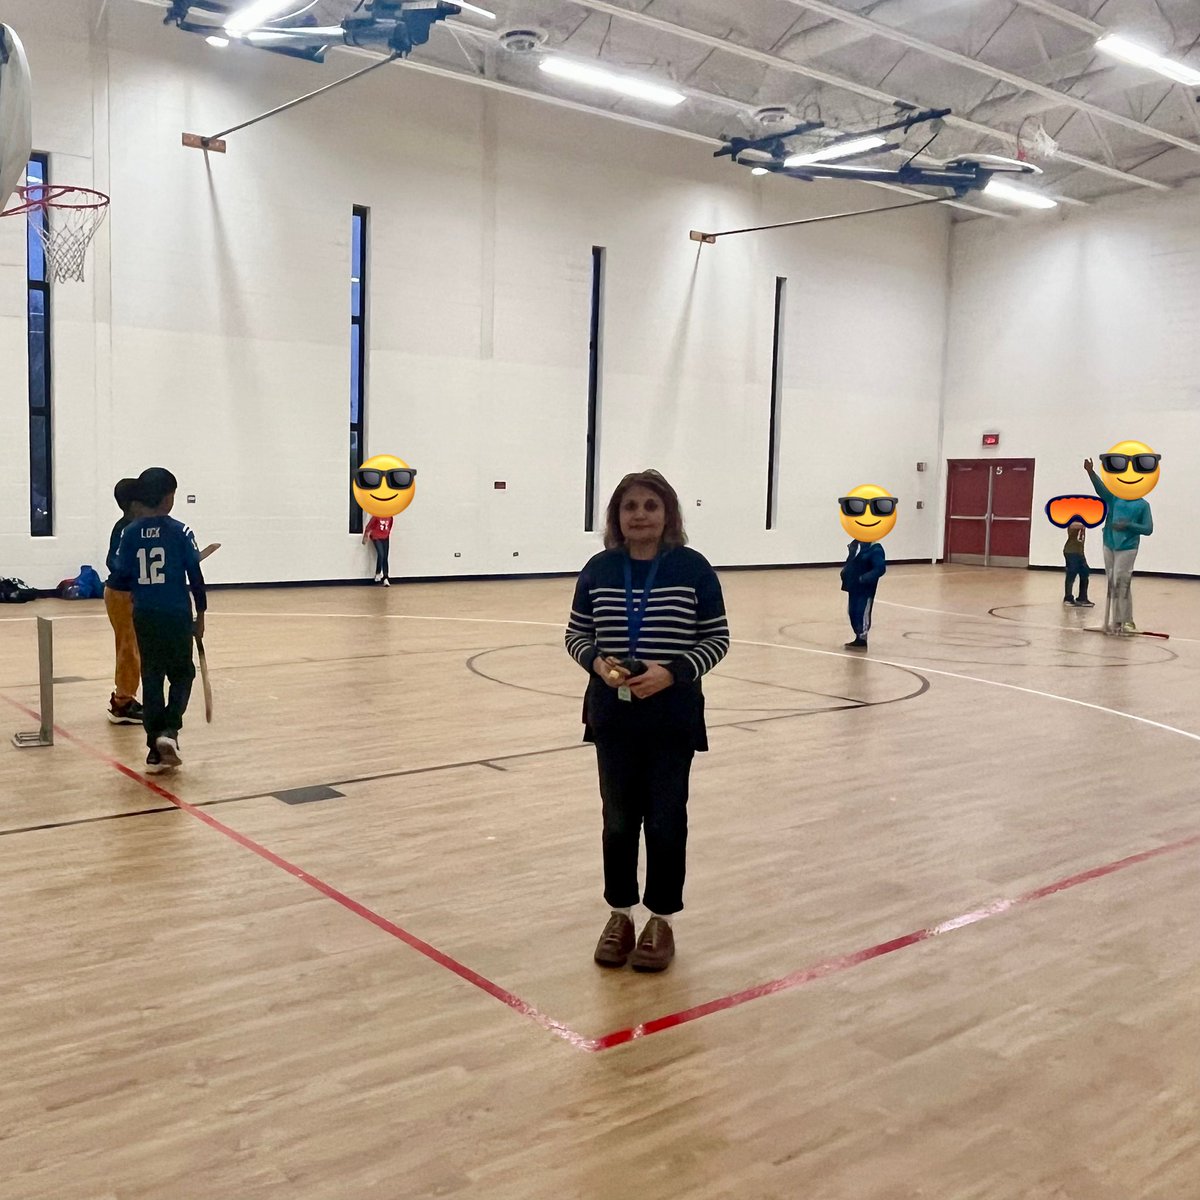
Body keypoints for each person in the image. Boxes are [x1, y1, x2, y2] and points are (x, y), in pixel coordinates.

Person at [564, 470, 729, 973]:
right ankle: (620, 914)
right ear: (616, 516)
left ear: (668, 515)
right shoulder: (598, 568)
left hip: (671, 716)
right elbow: (576, 633)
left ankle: (661, 919)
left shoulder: (693, 568)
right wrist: (596, 662)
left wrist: (672, 673)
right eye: (630, 506)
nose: (640, 515)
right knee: (617, 823)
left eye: (651, 506)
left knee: (664, 821)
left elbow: (717, 638)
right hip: (612, 715)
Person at [109, 468, 207, 774]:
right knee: (182, 674)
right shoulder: (181, 531)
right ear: (167, 497)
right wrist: (201, 614)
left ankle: (154, 748)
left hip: (145, 614)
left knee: (151, 676)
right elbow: (196, 578)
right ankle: (169, 731)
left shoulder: (130, 533)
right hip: (176, 614)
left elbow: (122, 574)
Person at [1085, 455, 1154, 634]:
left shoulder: (1143, 505)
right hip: (1109, 543)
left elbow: (1148, 528)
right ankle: (1111, 621)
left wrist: (1128, 525)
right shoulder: (1115, 499)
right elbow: (1101, 490)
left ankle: (1127, 621)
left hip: (1128, 547)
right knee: (1111, 582)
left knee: (1121, 582)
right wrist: (1091, 472)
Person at [104, 478, 144, 725]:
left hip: (131, 594)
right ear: (133, 503)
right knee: (128, 648)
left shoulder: (139, 525)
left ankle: (127, 696)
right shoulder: (125, 528)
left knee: (134, 647)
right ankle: (122, 702)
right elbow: (113, 561)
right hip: (121, 594)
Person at [1062, 520, 1093, 607]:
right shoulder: (1073, 520)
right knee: (1071, 574)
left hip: (1079, 552)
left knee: (1085, 572)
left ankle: (1082, 598)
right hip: (1070, 551)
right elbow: (1070, 525)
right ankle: (1068, 598)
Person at [363, 513, 394, 586]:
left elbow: (390, 526)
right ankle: (378, 572)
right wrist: (366, 535)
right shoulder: (376, 516)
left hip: (385, 538)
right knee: (381, 554)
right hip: (376, 537)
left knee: (385, 556)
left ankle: (385, 577)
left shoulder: (390, 517)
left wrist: (387, 534)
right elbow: (369, 526)